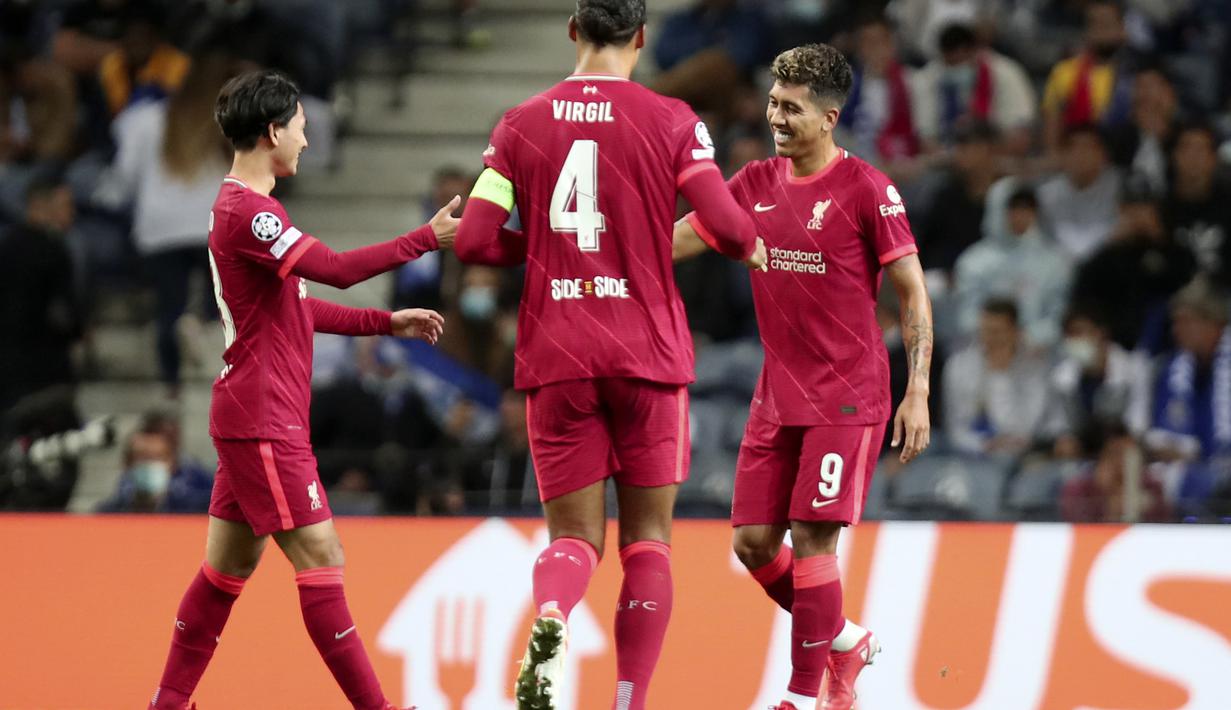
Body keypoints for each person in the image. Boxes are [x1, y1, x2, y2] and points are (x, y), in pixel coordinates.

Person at [452, 2, 766, 707]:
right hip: (646, 350)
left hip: (557, 350)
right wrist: (733, 238)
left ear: (573, 31)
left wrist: (545, 246)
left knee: (573, 539)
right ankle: (628, 699)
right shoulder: (672, 120)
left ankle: (553, 613)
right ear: (642, 37)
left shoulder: (518, 124)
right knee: (648, 541)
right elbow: (728, 227)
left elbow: (473, 240)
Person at [146, 69, 459, 710]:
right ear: (272, 131)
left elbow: (300, 308)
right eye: (300, 128)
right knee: (321, 554)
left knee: (227, 569)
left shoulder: (253, 212)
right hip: (264, 418)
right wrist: (427, 239)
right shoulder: (249, 213)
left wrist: (386, 322)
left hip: (253, 412)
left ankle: (168, 703)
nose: (306, 141)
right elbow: (336, 270)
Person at [673, 43, 934, 710]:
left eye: (791, 108)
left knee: (813, 539)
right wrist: (602, 250)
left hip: (847, 394)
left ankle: (799, 694)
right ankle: (844, 640)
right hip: (776, 393)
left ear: (829, 117)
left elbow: (911, 291)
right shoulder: (754, 182)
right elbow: (681, 238)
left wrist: (918, 390)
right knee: (753, 546)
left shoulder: (868, 190)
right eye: (772, 103)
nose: (775, 118)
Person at [100, 49, 236, 396]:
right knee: (222, 305)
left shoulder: (143, 120)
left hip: (161, 228)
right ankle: (208, 345)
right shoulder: (223, 119)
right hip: (212, 222)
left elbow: (124, 178)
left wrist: (109, 202)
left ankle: (171, 384)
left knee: (169, 304)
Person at [952, 185, 1071, 349]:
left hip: (1037, 351)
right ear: (997, 210)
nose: (1020, 216)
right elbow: (967, 315)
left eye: (1027, 209)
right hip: (984, 349)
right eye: (1013, 209)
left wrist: (1029, 337)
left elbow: (1058, 315)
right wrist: (999, 336)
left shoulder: (1054, 262)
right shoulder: (973, 262)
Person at [943, 298, 1049, 456]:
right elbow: (955, 426)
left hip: (1019, 453)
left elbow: (1027, 428)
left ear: (1015, 332)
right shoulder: (958, 365)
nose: (990, 339)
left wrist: (1001, 374)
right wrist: (982, 444)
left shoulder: (1035, 370)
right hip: (969, 450)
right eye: (985, 331)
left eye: (997, 332)